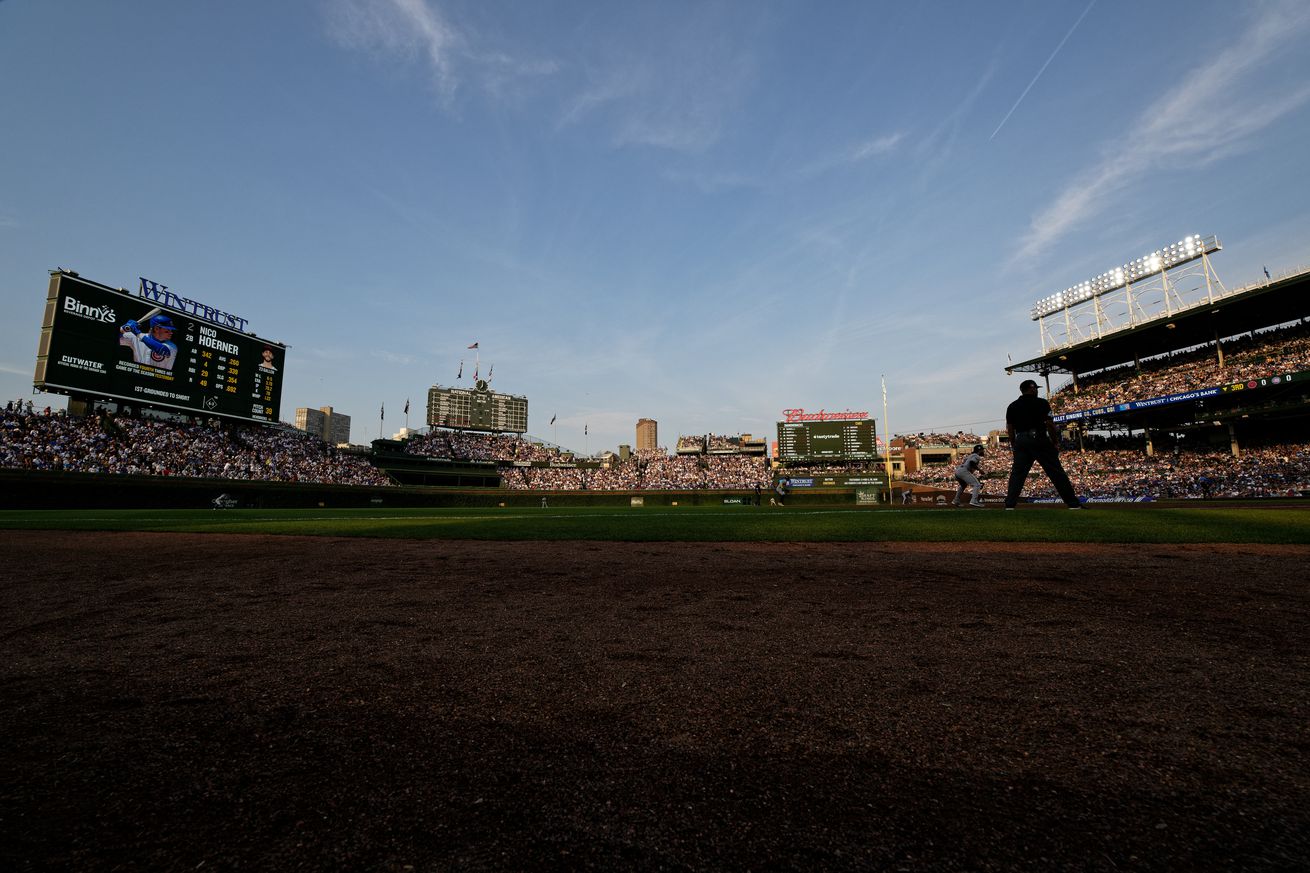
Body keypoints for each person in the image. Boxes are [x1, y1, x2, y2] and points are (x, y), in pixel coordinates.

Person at [1004, 379, 1083, 510]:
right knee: (1056, 471)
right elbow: (1050, 424)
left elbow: (1010, 429)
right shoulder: (1042, 403)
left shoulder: (1012, 406)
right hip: (1039, 438)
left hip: (1021, 440)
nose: (1037, 391)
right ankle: (1073, 504)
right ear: (1032, 388)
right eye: (1036, 388)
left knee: (1017, 474)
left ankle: (1009, 505)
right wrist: (1055, 441)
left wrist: (1014, 444)